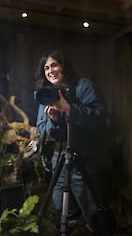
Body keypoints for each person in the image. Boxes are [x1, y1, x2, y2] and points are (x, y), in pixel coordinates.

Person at [35, 51, 114, 236]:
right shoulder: (46, 95)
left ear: (64, 66)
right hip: (60, 159)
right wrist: (54, 119)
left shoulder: (83, 86)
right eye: (46, 67)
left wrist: (70, 109)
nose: (50, 70)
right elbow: (43, 130)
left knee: (94, 211)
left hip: (85, 159)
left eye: (54, 65)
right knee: (61, 212)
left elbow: (100, 117)